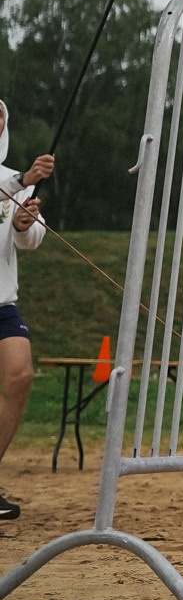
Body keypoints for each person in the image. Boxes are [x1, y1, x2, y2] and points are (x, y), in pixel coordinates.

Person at [0, 99, 56, 523]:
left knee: (20, 375)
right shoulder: (15, 179)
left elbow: (31, 238)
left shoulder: (14, 181)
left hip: (3, 302)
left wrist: (24, 223)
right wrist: (22, 179)